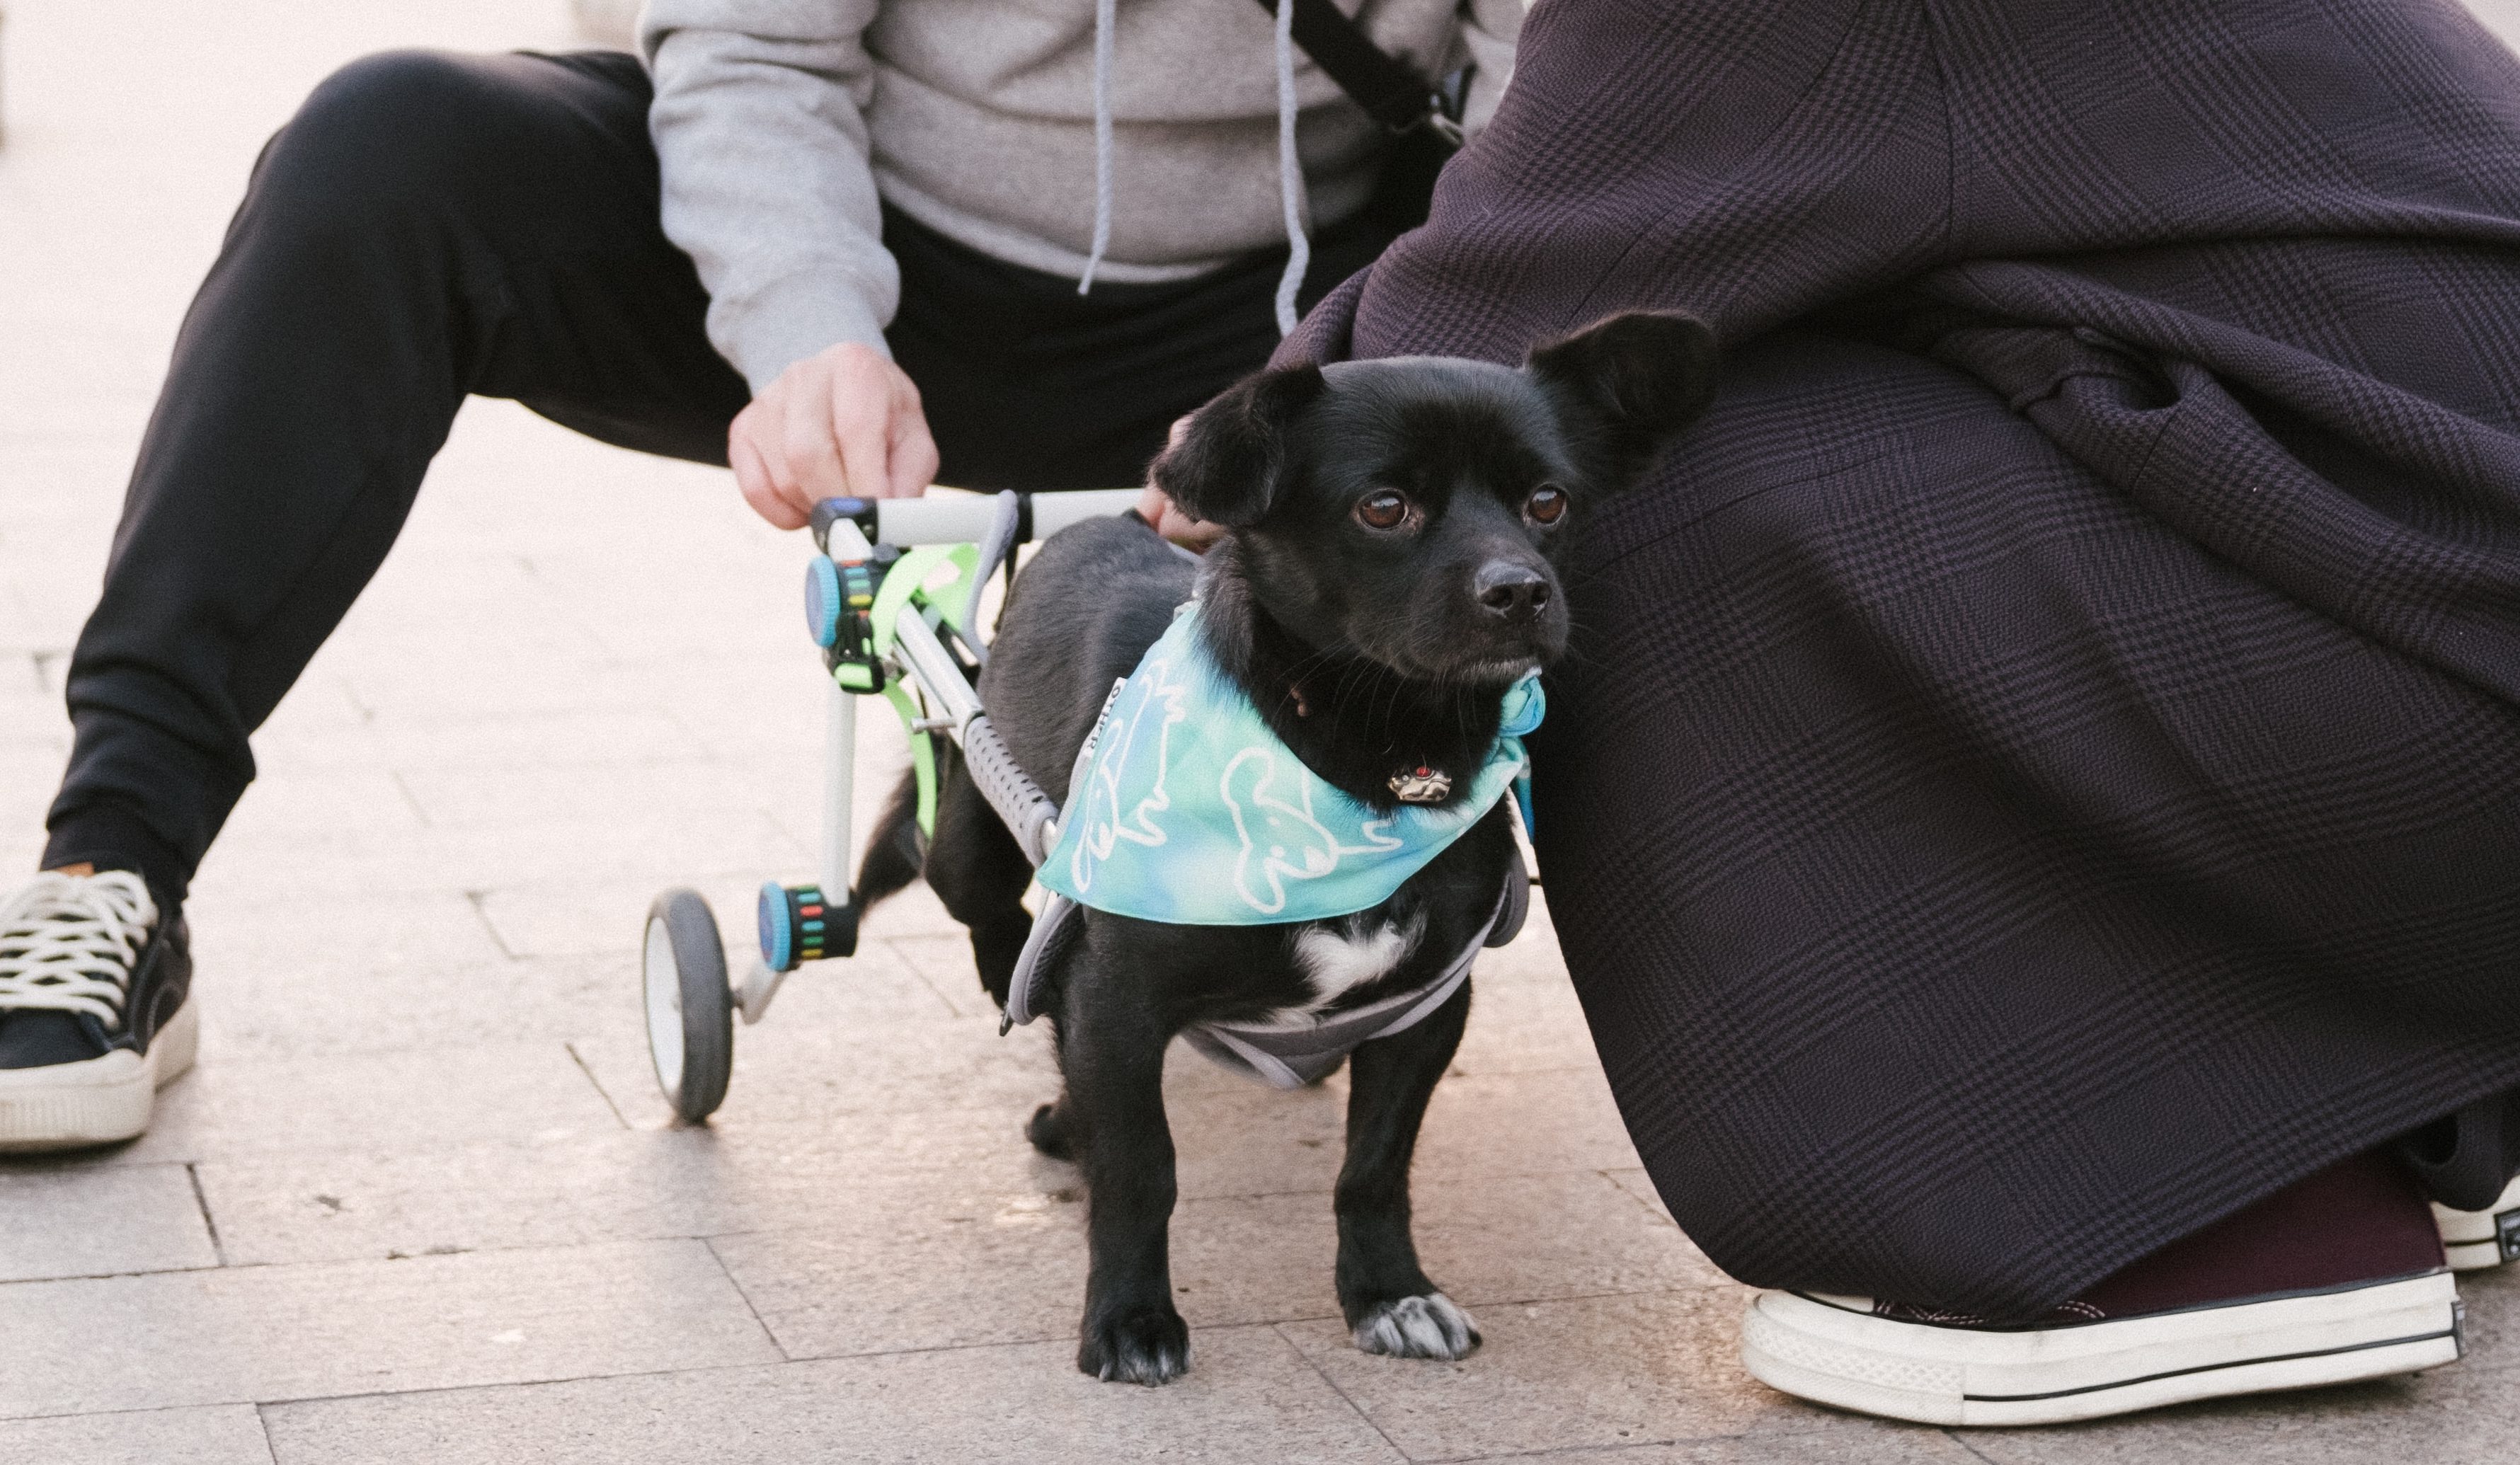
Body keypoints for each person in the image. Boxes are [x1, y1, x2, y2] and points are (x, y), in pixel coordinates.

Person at [1274, 0, 2520, 1427]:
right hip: (2455, 630)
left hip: (2454, 734)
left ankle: (2149, 1209)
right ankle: (2405, 1097)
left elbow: (1489, 320)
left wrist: (1240, 453)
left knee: (1618, 476)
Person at [0, 0, 1521, 1152]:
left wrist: (1338, 370)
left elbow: (1556, 126)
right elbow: (751, 47)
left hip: (1297, 330)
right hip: (882, 247)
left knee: (1592, 349)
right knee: (385, 143)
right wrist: (806, 323)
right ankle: (111, 865)